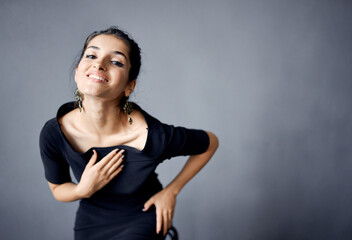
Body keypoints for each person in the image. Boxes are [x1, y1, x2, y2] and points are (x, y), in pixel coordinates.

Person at [39, 26, 219, 240]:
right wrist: (82, 190)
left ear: (128, 86)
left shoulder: (153, 136)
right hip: (91, 220)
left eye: (116, 61)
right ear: (78, 72)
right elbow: (58, 187)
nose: (99, 64)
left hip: (143, 214)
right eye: (91, 55)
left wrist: (171, 191)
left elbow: (210, 142)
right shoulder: (55, 133)